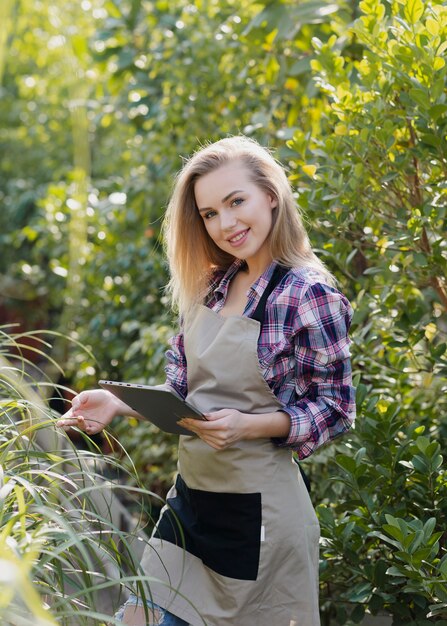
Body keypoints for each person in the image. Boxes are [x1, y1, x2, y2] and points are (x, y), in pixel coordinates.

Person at [58, 136, 356, 626]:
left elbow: (336, 407)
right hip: (191, 507)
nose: (226, 224)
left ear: (271, 196)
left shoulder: (308, 293)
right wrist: (117, 402)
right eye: (210, 213)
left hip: (260, 523)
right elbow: (188, 398)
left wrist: (249, 425)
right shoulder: (213, 284)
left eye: (236, 201)